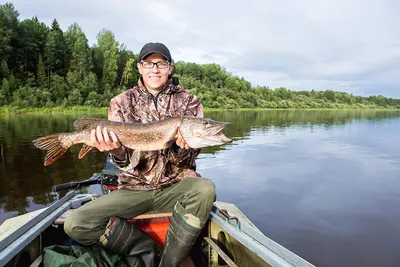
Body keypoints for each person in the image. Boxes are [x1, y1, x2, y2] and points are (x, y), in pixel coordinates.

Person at [64, 42, 216, 267]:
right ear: (139, 67)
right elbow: (124, 162)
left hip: (175, 187)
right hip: (133, 190)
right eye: (148, 63)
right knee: (75, 223)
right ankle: (151, 253)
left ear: (170, 68)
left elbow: (189, 161)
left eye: (161, 63)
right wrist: (116, 150)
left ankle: (169, 263)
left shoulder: (189, 102)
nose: (155, 69)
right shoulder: (121, 102)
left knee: (205, 189)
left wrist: (181, 148)